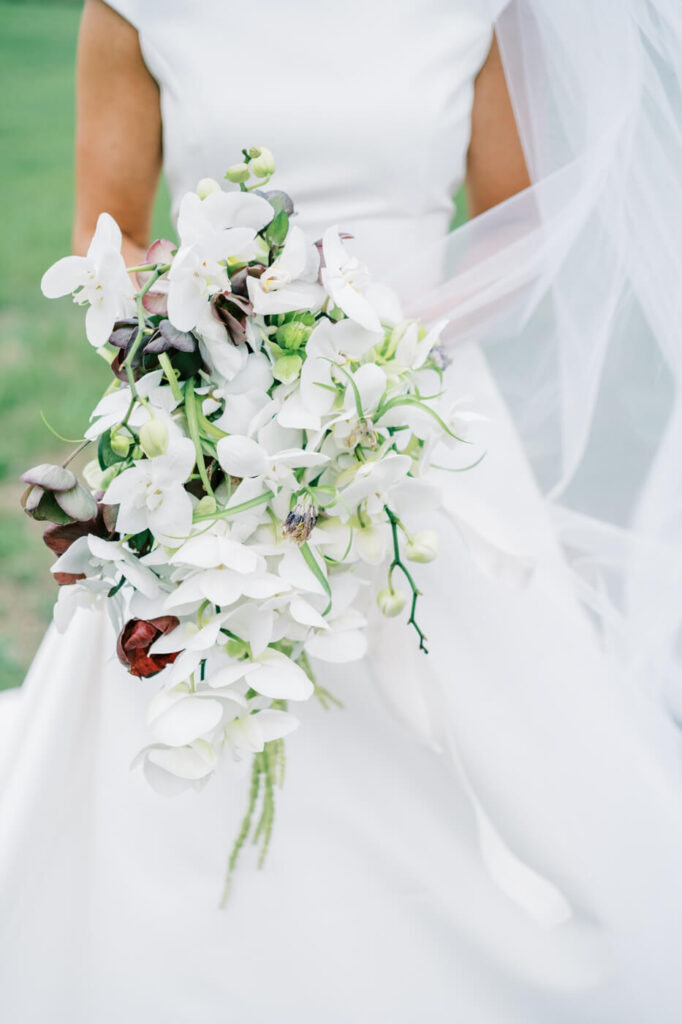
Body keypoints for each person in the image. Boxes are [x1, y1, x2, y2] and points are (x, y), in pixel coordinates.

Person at [2, 1, 682, 1021]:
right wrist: (219, 363)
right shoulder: (138, 7)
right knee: (194, 714)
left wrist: (376, 363)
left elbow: (519, 216)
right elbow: (114, 238)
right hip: (209, 421)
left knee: (492, 722)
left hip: (416, 411)